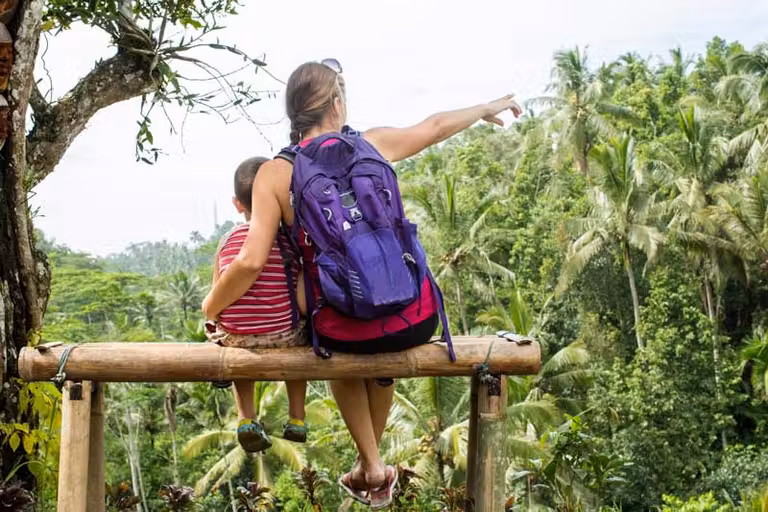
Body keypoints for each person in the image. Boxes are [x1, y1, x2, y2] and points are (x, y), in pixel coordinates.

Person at [202, 58, 521, 509]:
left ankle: (371, 463)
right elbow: (431, 127)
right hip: (413, 316)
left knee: (340, 332)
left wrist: (210, 307)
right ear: (337, 103)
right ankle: (370, 466)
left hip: (341, 330)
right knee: (379, 340)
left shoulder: (276, 173)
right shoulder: (370, 144)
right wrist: (484, 107)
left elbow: (251, 261)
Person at [206, 156, 309, 453]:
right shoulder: (287, 239)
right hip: (286, 335)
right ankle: (297, 418)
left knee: (237, 342)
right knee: (305, 332)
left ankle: (246, 418)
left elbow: (219, 287)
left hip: (237, 337)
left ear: (238, 204)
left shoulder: (227, 240)